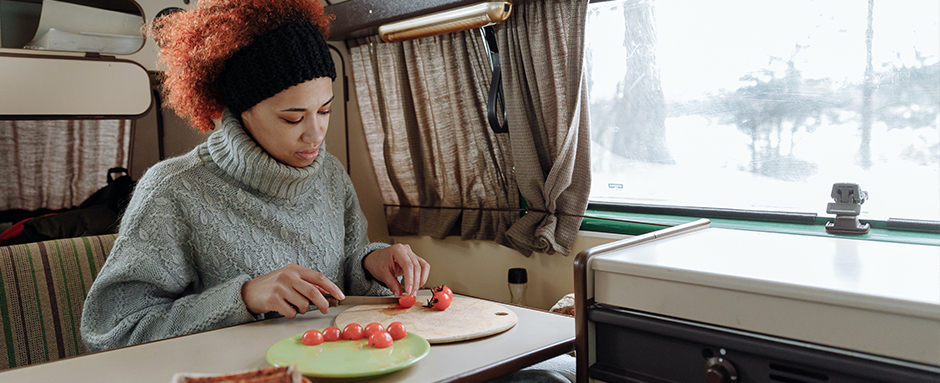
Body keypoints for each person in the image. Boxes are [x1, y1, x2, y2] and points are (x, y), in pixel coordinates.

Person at [81, 0, 430, 352]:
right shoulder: (173, 190)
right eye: (293, 118)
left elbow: (345, 265)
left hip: (332, 364)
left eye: (324, 110)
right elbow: (112, 330)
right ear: (242, 110)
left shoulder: (330, 174)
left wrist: (371, 262)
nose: (316, 134)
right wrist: (244, 297)